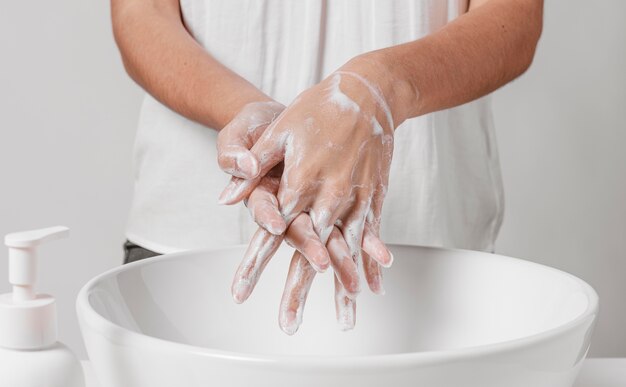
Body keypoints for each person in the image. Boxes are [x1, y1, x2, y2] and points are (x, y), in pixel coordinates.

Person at [112, 0, 543, 334]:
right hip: (189, 248)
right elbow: (141, 12)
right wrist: (258, 128)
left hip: (427, 259)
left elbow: (512, 19)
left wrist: (381, 85)